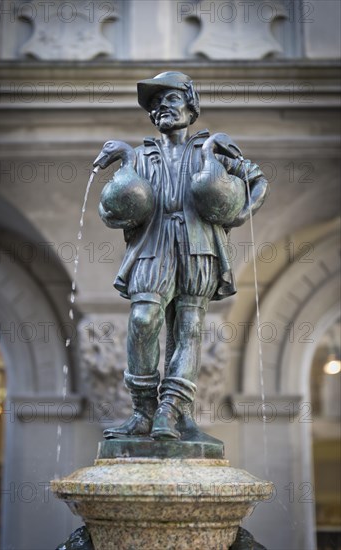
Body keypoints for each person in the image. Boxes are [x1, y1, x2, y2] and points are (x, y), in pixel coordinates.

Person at [98, 72, 268, 440]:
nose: (162, 107)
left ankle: (172, 410)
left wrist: (241, 214)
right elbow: (110, 210)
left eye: (171, 99)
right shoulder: (141, 155)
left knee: (188, 328)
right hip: (153, 246)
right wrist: (125, 160)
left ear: (192, 108)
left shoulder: (212, 149)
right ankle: (143, 411)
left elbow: (257, 179)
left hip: (198, 244)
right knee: (144, 319)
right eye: (156, 103)